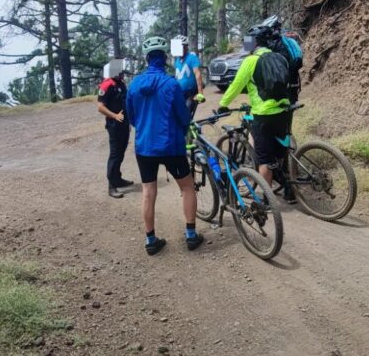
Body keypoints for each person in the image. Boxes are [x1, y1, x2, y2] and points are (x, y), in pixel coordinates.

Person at [126, 36, 204, 256]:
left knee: (148, 192)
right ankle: (190, 235)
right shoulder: (171, 84)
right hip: (171, 146)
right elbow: (183, 116)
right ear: (164, 57)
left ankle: (151, 240)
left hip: (144, 147)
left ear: (147, 58)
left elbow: (132, 117)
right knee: (187, 187)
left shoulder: (134, 85)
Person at [218, 23, 294, 199]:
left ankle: (267, 201)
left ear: (254, 42)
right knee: (281, 152)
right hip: (284, 110)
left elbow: (236, 86)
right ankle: (289, 190)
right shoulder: (280, 58)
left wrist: (223, 104)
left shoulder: (250, 61)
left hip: (263, 114)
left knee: (265, 160)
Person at [97, 61, 134, 199]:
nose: (122, 73)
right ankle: (112, 185)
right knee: (115, 154)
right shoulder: (107, 85)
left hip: (124, 124)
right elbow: (100, 107)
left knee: (121, 153)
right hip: (114, 125)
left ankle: (118, 179)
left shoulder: (121, 84)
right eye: (120, 71)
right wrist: (114, 116)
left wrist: (128, 121)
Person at [171, 35, 206, 116]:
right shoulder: (177, 60)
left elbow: (197, 74)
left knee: (186, 115)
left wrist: (200, 93)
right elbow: (177, 77)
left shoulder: (192, 57)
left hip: (191, 94)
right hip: (180, 94)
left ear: (185, 47)